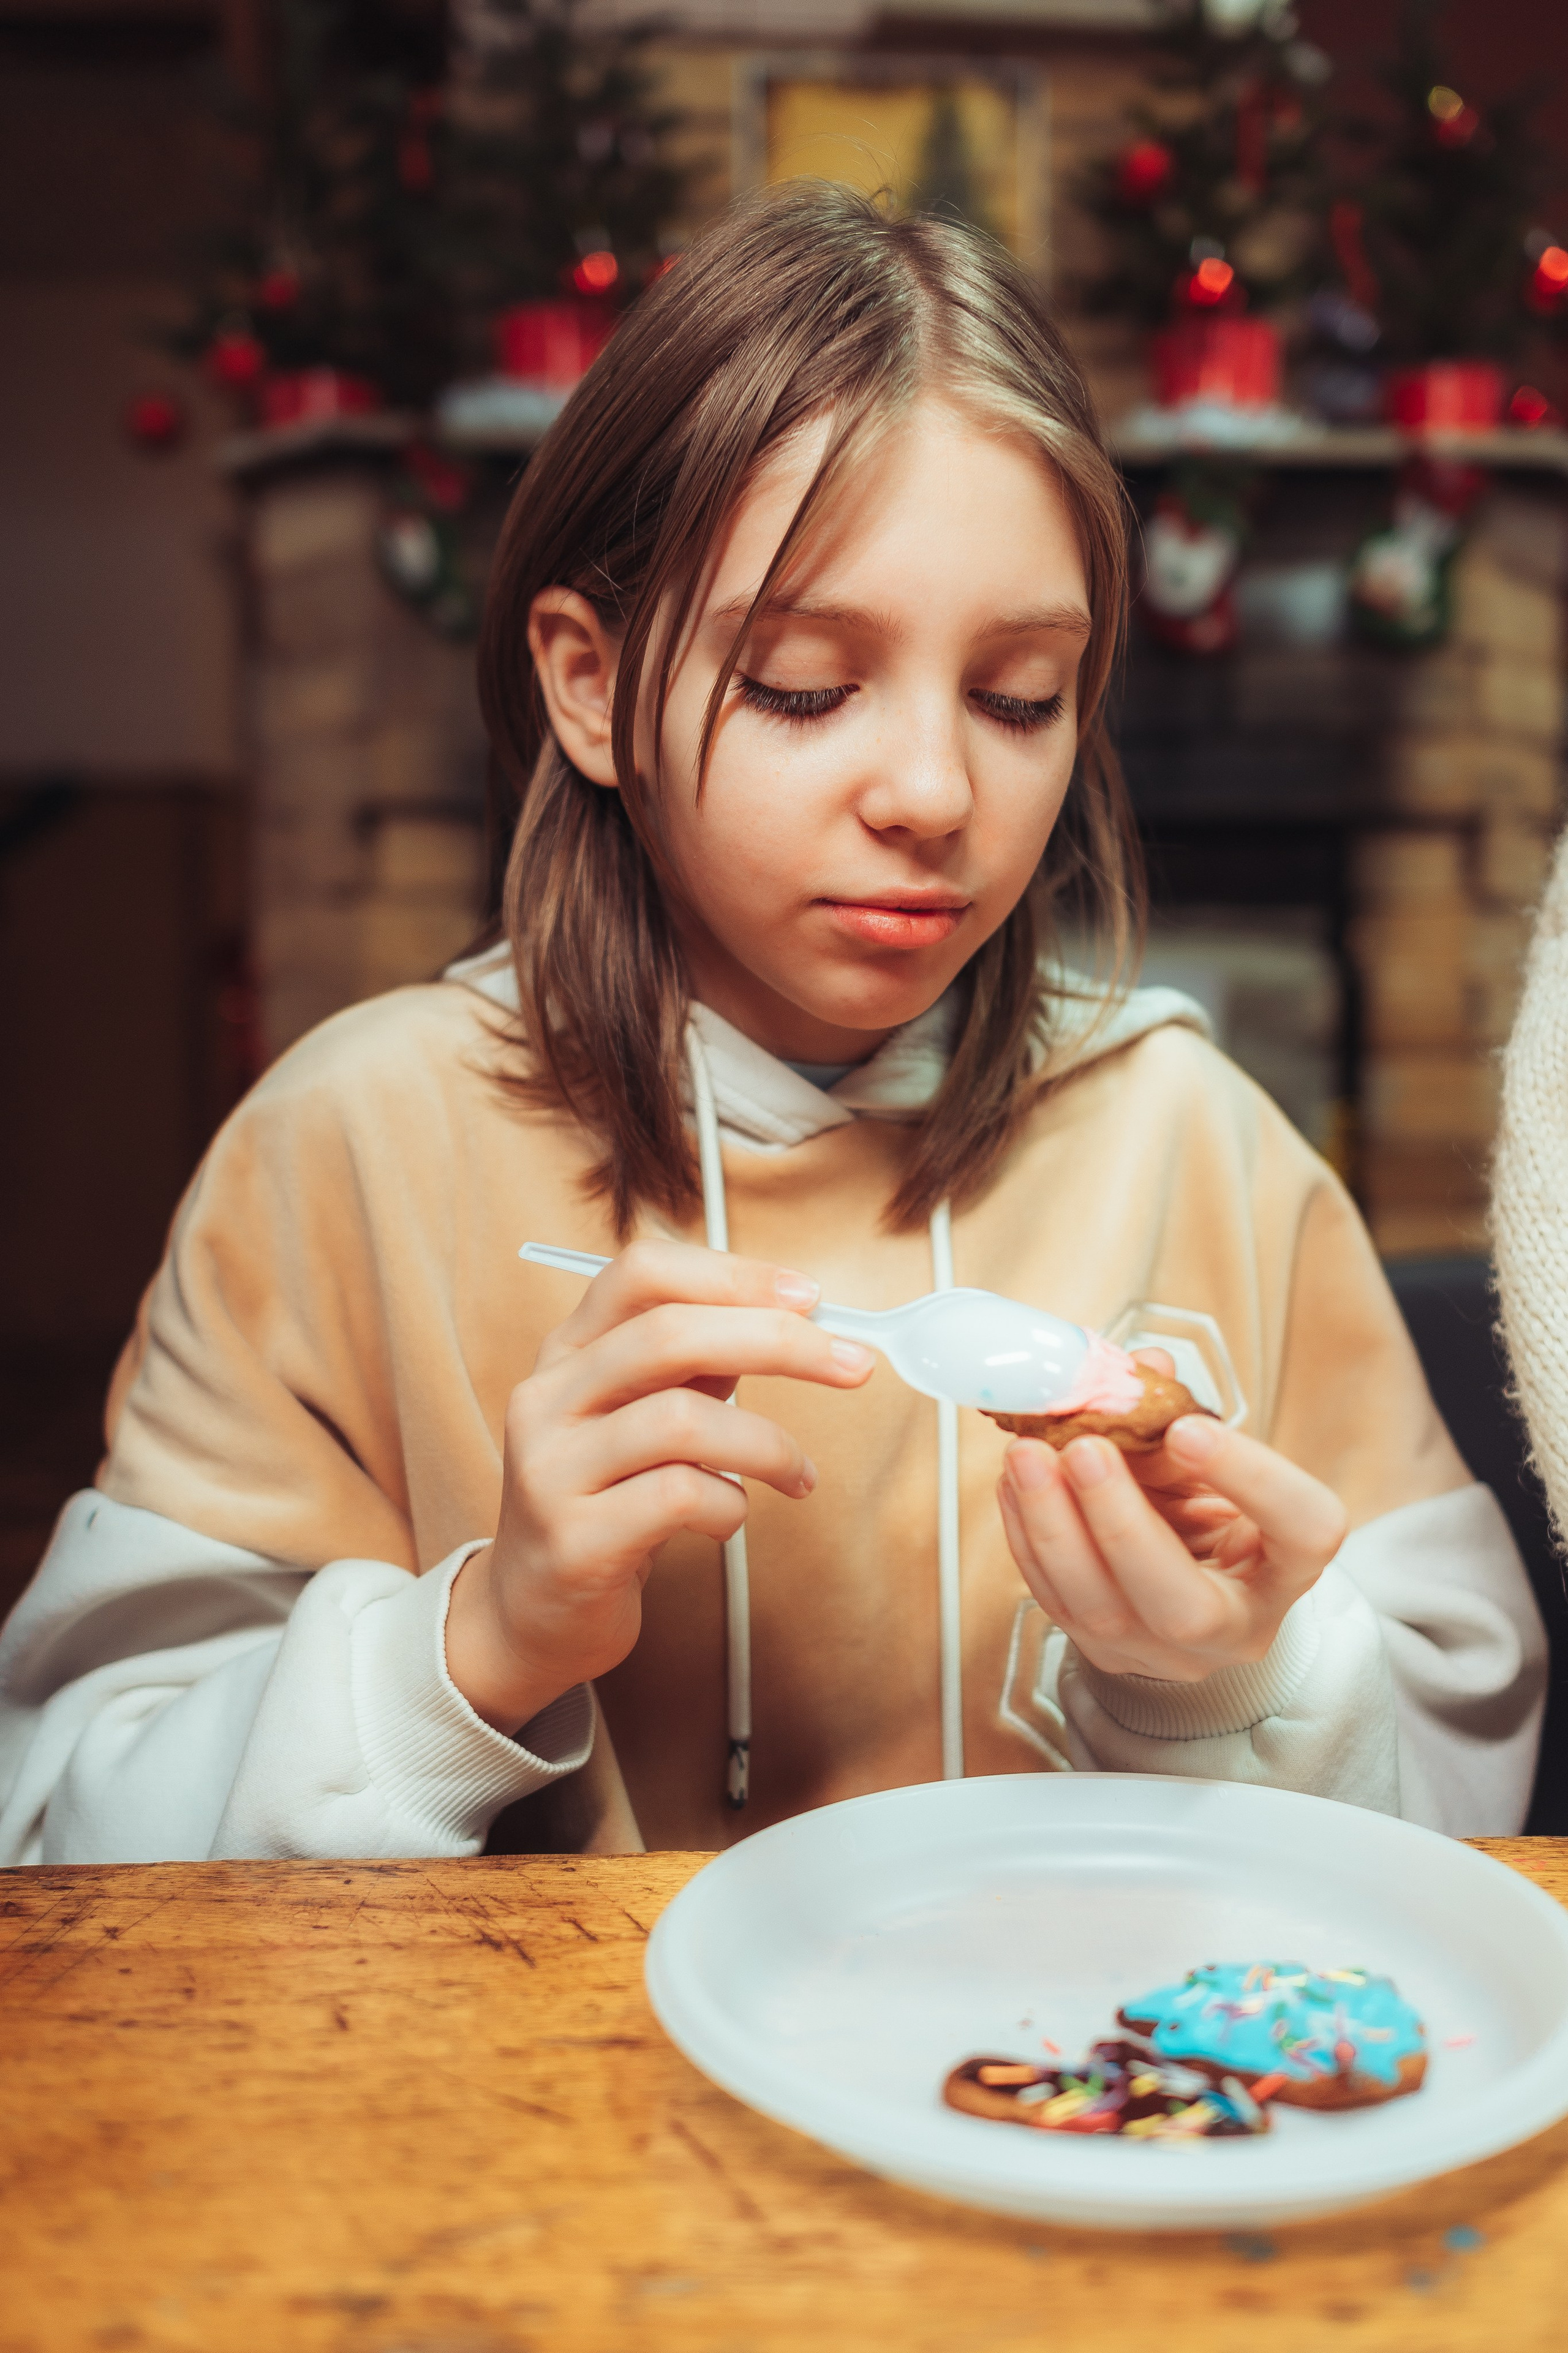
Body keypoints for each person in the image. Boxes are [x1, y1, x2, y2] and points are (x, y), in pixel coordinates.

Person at [0, 186, 1545, 1865]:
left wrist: (1237, 1679)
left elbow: (1470, 1784)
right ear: (591, 686)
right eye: (807, 683)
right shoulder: (353, 1148)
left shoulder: (1196, 1135)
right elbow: (67, 1824)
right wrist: (479, 1645)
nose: (937, 791)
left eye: (1022, 695)